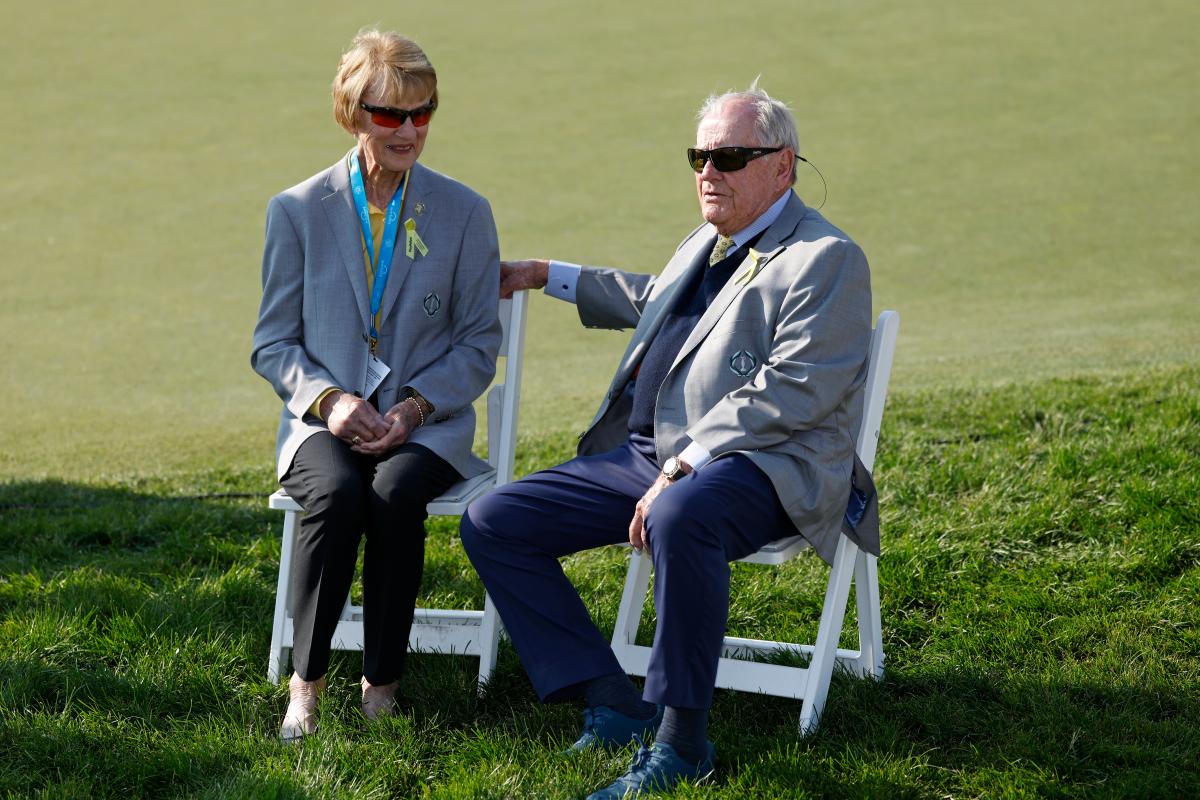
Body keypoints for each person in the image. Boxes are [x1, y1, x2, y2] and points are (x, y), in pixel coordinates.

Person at [460, 85, 879, 798]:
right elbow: (656, 300)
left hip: (765, 465)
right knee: (494, 521)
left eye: (729, 157)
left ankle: (682, 744)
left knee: (680, 513)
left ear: (783, 166)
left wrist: (685, 463)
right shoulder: (708, 240)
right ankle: (611, 700)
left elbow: (796, 389)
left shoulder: (827, 257)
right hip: (652, 457)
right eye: (699, 156)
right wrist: (547, 275)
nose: (708, 172)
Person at [251, 29, 501, 741]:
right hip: (321, 423)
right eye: (391, 114)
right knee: (336, 495)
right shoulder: (296, 210)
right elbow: (272, 343)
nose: (409, 130)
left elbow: (479, 343)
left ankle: (381, 686)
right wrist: (329, 402)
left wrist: (416, 407)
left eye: (423, 112)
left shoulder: (466, 211)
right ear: (351, 113)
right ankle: (306, 685)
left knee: (393, 496)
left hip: (428, 422)